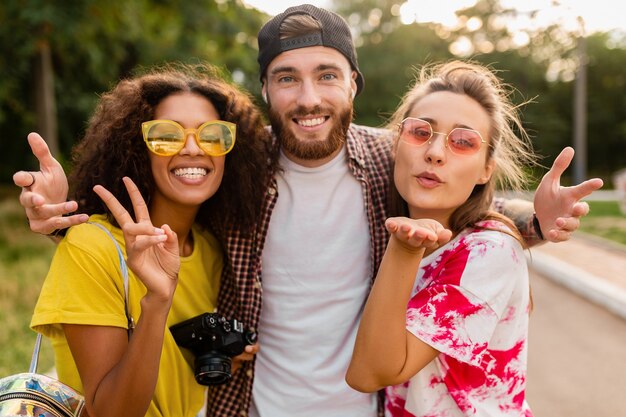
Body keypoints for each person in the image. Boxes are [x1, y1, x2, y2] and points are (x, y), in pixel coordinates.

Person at [14, 4, 603, 417]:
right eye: (286, 79)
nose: (308, 97)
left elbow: (457, 199)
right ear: (266, 90)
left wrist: (537, 221)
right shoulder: (233, 170)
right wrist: (61, 216)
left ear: (354, 84)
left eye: (327, 75)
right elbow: (152, 222)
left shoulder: (389, 161)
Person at [27, 63, 271, 417]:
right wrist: (157, 301)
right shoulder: (90, 248)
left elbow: (172, 380)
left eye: (213, 134)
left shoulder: (211, 250)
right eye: (167, 135)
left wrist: (222, 359)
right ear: (136, 147)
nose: (192, 148)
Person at [346, 60, 537, 416]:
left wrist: (404, 249)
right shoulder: (382, 219)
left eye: (463, 142)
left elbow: (369, 373)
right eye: (420, 132)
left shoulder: (488, 252)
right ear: (396, 145)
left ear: (485, 170)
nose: (434, 152)